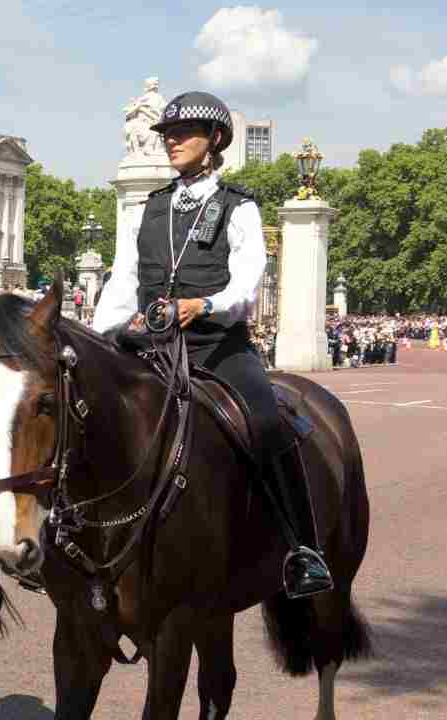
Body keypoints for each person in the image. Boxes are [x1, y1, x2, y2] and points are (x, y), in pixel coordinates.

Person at [92, 91, 331, 599]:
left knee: (267, 421)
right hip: (150, 345)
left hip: (216, 346)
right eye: (167, 134)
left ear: (215, 140)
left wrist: (202, 305)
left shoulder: (238, 207)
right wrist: (106, 331)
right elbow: (122, 279)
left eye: (183, 133)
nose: (172, 141)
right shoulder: (148, 210)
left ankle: (301, 549)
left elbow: (247, 283)